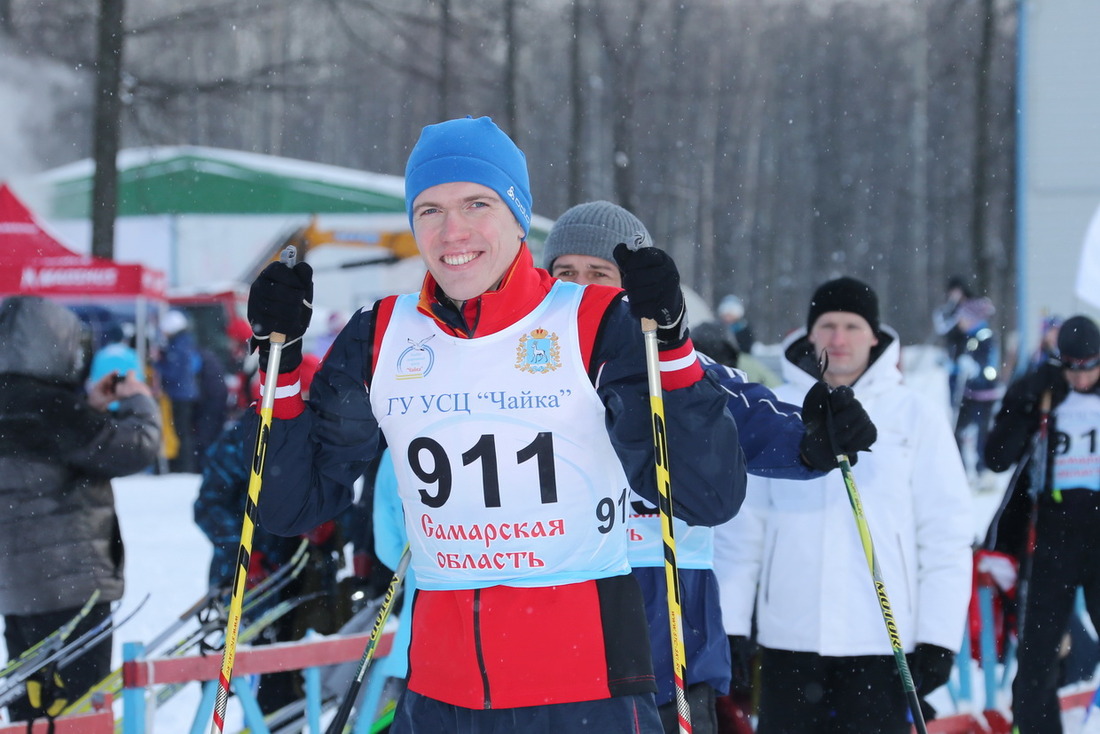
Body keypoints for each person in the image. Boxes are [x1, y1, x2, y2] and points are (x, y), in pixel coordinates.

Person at [246, 116, 746, 733]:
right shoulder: (380, 335)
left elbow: (705, 494)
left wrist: (670, 346)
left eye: (475, 204)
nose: (452, 231)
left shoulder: (595, 320)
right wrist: (283, 367)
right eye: (429, 210)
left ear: (518, 214)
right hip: (440, 694)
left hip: (585, 692)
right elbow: (292, 507)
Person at [541, 201, 878, 734]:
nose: (581, 288)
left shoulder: (680, 367)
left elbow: (758, 421)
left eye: (599, 273)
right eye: (565, 273)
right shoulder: (528, 372)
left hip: (669, 652)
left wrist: (818, 439)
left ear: (633, 283)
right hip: (556, 651)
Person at [714, 276, 974, 732]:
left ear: (875, 335)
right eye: (828, 325)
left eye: (852, 326)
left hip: (881, 644)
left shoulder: (915, 415)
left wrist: (938, 638)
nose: (838, 338)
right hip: (788, 639)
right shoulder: (775, 412)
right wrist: (732, 624)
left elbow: (945, 537)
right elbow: (742, 531)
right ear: (809, 334)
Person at [0, 296, 161, 725]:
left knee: (30, 707)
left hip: (16, 591)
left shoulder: (17, 404)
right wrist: (139, 400)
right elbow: (136, 448)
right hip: (73, 588)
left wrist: (89, 404)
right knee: (81, 712)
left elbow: (41, 456)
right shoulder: (52, 408)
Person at [193, 352, 345, 714]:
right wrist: (245, 554)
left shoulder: (326, 439)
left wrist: (327, 526)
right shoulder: (240, 439)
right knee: (228, 686)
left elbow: (343, 499)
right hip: (245, 580)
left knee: (291, 684)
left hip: (302, 581)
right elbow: (208, 506)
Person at [984, 314, 1100, 733]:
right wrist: (1026, 401)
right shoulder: (1046, 388)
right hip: (1053, 538)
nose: (1081, 378)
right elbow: (995, 457)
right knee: (1037, 656)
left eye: (1090, 367)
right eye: (1073, 367)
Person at [949, 296, 1004, 490]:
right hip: (969, 395)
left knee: (982, 435)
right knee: (957, 433)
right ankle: (961, 473)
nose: (959, 322)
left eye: (963, 318)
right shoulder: (967, 337)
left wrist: (977, 370)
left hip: (984, 397)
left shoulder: (985, 336)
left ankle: (984, 473)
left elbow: (991, 365)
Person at [156, 309, 201, 473]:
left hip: (179, 395)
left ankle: (182, 467)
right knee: (185, 433)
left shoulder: (177, 347)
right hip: (186, 393)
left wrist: (158, 364)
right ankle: (186, 465)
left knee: (180, 433)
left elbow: (172, 373)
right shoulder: (186, 343)